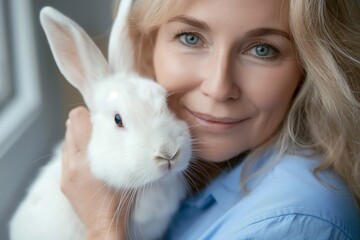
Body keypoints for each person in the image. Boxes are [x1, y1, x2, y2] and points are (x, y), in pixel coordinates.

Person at [61, 0, 360, 239]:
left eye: (262, 49)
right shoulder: (188, 171)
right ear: (150, 47)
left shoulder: (286, 225)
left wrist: (103, 226)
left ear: (308, 68)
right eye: (191, 38)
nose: (219, 88)